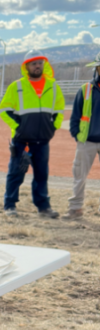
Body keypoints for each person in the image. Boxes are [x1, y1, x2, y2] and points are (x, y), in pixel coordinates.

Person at [0, 49, 64, 218]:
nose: (37, 66)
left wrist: (52, 128)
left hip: (42, 142)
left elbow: (59, 111)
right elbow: (4, 110)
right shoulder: (17, 87)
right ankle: (10, 205)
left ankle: (43, 207)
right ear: (26, 66)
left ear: (45, 65)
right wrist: (18, 127)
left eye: (40, 63)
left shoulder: (53, 86)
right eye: (34, 63)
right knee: (16, 174)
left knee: (42, 175)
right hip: (22, 142)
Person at [67, 51, 100, 218]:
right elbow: (75, 116)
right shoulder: (86, 90)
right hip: (86, 141)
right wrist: (77, 136)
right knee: (79, 176)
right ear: (97, 68)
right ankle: (75, 209)